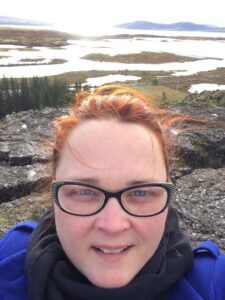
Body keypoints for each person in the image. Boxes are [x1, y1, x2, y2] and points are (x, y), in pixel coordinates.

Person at [0, 84, 224, 300]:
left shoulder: (212, 284)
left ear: (168, 197)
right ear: (54, 195)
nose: (113, 225)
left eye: (141, 193)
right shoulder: (10, 257)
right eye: (83, 192)